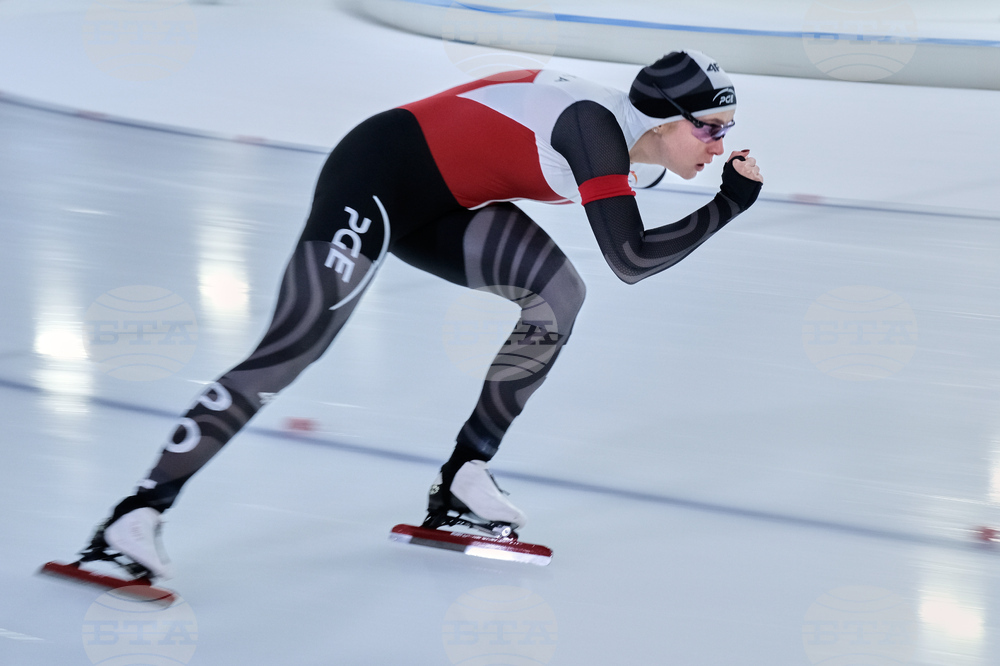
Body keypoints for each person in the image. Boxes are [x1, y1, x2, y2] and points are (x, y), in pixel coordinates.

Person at [78, 50, 763, 580]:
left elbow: (623, 251)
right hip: (378, 174)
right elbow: (632, 259)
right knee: (294, 346)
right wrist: (728, 203)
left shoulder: (646, 160)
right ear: (665, 119)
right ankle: (134, 516)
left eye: (726, 130)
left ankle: (465, 476)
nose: (718, 144)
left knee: (559, 299)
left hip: (452, 201)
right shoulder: (595, 127)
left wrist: (718, 197)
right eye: (710, 129)